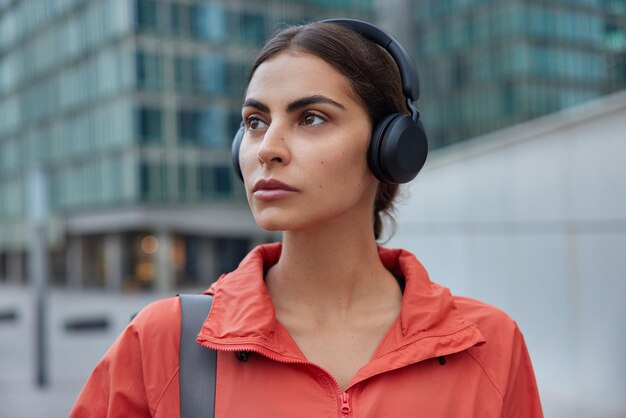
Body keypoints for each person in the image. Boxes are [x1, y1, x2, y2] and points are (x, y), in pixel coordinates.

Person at [70, 19, 543, 417]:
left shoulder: (489, 346)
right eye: (255, 122)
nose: (268, 150)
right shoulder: (164, 341)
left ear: (390, 148)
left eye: (311, 118)